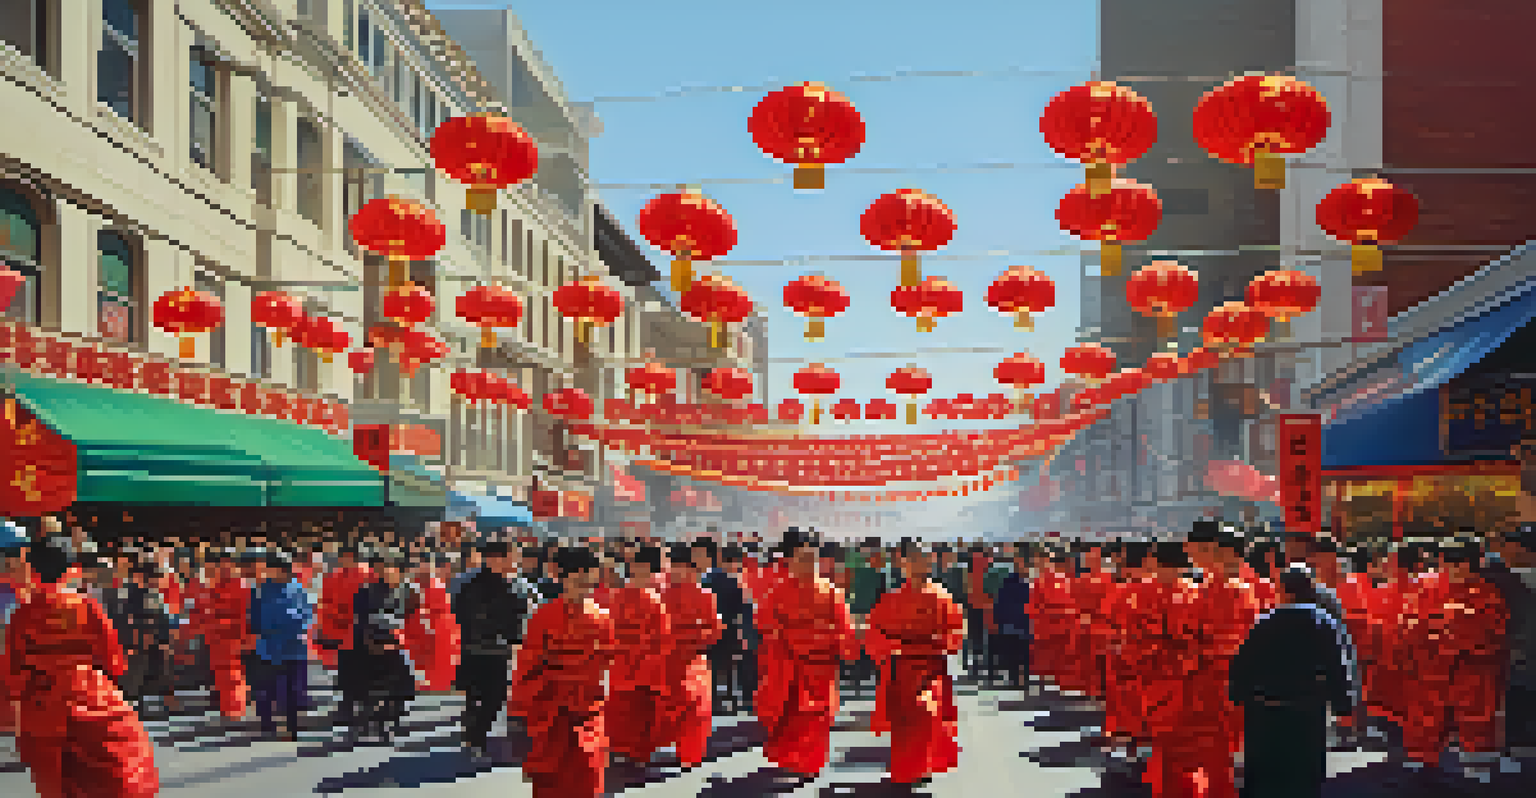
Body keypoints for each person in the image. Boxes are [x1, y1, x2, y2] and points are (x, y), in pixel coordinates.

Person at [3, 537, 161, 797]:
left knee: (58, 778)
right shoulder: (87, 606)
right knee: (111, 773)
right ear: (69, 569)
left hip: (44, 704)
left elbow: (12, 670)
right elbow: (114, 660)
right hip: (89, 695)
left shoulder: (23, 613)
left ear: (32, 570)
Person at [1229, 565, 1357, 798]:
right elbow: (1337, 665)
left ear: (1284, 591)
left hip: (1265, 707)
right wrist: (1343, 704)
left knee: (1264, 770)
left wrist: (1237, 695)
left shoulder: (1265, 620)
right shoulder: (1324, 621)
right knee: (1303, 771)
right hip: (1307, 707)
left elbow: (1243, 662)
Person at [507, 546, 615, 798]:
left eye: (587, 580)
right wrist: (522, 707)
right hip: (550, 704)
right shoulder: (543, 616)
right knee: (552, 772)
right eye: (576, 580)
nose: (582, 586)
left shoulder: (603, 618)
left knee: (589, 766)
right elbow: (527, 664)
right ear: (563, 579)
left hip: (589, 705)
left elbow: (607, 660)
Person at [755, 527, 858, 781]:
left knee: (818, 717)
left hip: (821, 666)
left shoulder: (831, 591)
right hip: (790, 665)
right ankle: (792, 759)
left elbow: (845, 627)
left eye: (813, 557)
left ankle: (811, 763)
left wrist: (836, 643)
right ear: (788, 560)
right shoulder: (776, 592)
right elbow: (766, 626)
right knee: (790, 715)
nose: (809, 563)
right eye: (803, 558)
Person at [863, 540, 965, 786]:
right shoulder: (891, 598)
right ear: (903, 564)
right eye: (915, 558)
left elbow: (956, 629)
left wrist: (944, 643)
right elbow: (873, 631)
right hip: (901, 670)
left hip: (931, 669)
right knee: (904, 723)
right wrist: (891, 649)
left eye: (924, 557)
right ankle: (906, 770)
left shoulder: (942, 595)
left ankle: (923, 765)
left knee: (929, 715)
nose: (921, 562)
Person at [452, 541, 530, 761]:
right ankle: (476, 736)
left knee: (489, 697)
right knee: (483, 696)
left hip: (491, 650)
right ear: (496, 558)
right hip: (481, 648)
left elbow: (518, 615)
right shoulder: (473, 585)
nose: (514, 561)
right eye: (511, 556)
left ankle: (476, 734)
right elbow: (463, 614)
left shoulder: (511, 585)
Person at [604, 545, 674, 766]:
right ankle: (637, 753)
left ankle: (619, 748)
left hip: (622, 665)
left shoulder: (615, 598)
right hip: (646, 666)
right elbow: (663, 638)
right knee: (643, 712)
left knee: (622, 709)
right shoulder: (656, 598)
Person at [350, 550, 419, 743]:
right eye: (383, 567)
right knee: (372, 685)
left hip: (397, 643)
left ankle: (391, 720)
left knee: (401, 685)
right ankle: (372, 721)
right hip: (371, 642)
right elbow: (360, 619)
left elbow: (412, 617)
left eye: (391, 567)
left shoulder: (408, 591)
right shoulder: (366, 591)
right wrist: (369, 641)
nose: (386, 571)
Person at [248, 550, 314, 741]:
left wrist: (293, 626)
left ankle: (292, 727)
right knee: (266, 688)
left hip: (294, 647)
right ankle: (267, 724)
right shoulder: (260, 590)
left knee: (293, 689)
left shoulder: (299, 589)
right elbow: (254, 617)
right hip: (269, 646)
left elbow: (307, 616)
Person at [1483, 523, 1536, 754]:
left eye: (1513, 545)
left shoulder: (1506, 580)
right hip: (1512, 667)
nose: (1507, 550)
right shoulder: (1499, 577)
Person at [700, 542, 750, 714]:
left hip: (710, 627)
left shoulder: (706, 579)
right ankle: (730, 698)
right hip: (731, 628)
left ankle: (712, 698)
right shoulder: (735, 581)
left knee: (712, 665)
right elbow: (742, 607)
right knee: (730, 666)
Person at [993, 543, 1032, 690]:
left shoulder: (1031, 581)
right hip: (1011, 624)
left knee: (1025, 654)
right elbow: (1000, 602)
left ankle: (1024, 679)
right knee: (1013, 653)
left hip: (1025, 624)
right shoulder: (1008, 580)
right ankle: (1015, 679)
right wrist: (999, 621)